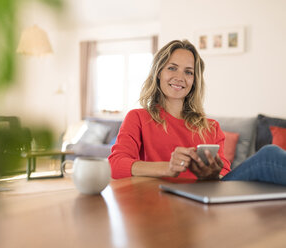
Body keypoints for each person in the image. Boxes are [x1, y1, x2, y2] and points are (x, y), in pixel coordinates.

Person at [108, 39, 286, 185]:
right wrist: (168, 168)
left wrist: (211, 175)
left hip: (208, 194)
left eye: (188, 72)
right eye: (172, 68)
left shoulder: (211, 127)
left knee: (269, 157)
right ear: (158, 73)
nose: (180, 77)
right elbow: (115, 165)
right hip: (165, 196)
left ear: (194, 80)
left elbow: (224, 174)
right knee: (269, 156)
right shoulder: (139, 118)